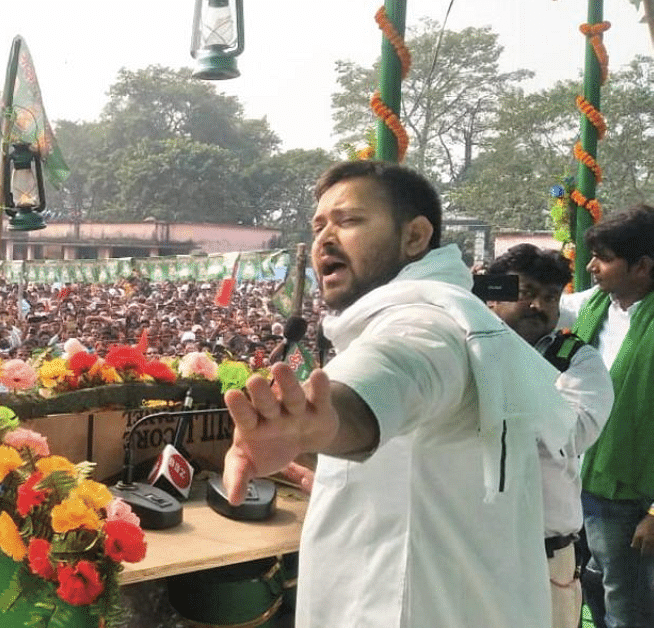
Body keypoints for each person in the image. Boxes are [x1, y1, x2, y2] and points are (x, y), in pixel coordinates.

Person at [220, 161, 574, 628]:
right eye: (318, 224)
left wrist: (324, 425)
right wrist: (326, 460)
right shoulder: (445, 319)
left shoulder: (427, 325)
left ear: (414, 237)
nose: (325, 238)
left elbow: (390, 377)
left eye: (348, 221)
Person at [486, 243, 614, 628]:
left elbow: (571, 435)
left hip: (544, 557)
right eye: (526, 294)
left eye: (550, 297)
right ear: (493, 296)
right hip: (469, 547)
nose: (539, 307)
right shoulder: (460, 353)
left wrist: (511, 366)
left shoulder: (578, 362)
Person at [558, 205, 654, 628]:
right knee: (593, 586)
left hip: (632, 495)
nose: (592, 267)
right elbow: (539, 305)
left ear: (642, 267)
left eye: (604, 258)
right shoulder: (592, 308)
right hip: (582, 479)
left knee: (626, 602)